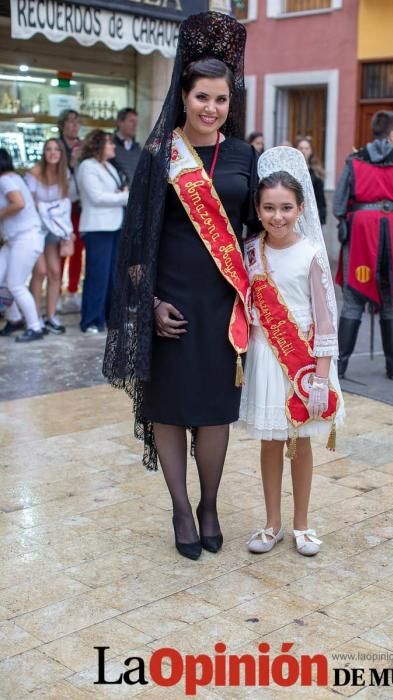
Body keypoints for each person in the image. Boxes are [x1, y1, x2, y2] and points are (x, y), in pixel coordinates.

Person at [103, 12, 259, 561]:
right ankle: (179, 507)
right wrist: (149, 305)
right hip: (170, 303)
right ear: (184, 97)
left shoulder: (244, 156)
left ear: (229, 104)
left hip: (222, 305)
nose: (211, 108)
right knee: (168, 410)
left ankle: (210, 502)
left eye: (221, 99)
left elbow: (257, 228)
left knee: (215, 411)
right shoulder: (158, 158)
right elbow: (134, 245)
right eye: (201, 98)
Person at [239, 148, 344, 556]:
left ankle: (302, 524)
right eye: (268, 208)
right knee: (270, 442)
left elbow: (326, 319)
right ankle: (272, 523)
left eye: (286, 208)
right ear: (258, 209)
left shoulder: (312, 253)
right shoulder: (251, 252)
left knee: (301, 443)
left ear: (301, 208)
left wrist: (320, 376)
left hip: (306, 361)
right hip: (267, 356)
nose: (277, 216)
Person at [333, 111, 393, 380]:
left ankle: (340, 368)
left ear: (373, 130)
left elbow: (339, 205)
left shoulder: (354, 161)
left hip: (361, 231)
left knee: (352, 302)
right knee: (392, 300)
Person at [77, 130, 128, 334]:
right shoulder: (87, 166)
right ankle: (90, 320)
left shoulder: (108, 166)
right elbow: (96, 197)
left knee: (111, 276)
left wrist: (120, 194)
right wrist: (125, 196)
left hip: (114, 225)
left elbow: (112, 193)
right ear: (99, 146)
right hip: (97, 227)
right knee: (97, 275)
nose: (113, 146)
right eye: (109, 143)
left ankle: (108, 317)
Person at [27, 138, 74, 334]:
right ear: (44, 153)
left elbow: (64, 206)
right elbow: (29, 206)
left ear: (61, 153)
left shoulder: (66, 174)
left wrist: (66, 233)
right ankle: (34, 316)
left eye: (56, 149)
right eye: (48, 149)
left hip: (54, 228)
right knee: (40, 271)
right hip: (35, 228)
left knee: (55, 272)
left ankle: (51, 316)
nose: (52, 153)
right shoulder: (34, 172)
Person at [0, 148, 44, 342]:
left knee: (15, 284)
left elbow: (18, 203)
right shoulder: (13, 178)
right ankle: (15, 319)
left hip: (25, 238)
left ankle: (35, 327)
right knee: (2, 281)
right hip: (14, 239)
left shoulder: (5, 180)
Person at [58, 109, 83, 312]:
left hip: (80, 206)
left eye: (77, 122)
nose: (75, 126)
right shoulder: (55, 147)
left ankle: (73, 291)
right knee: (60, 251)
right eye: (71, 122)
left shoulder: (83, 146)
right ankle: (55, 292)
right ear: (62, 125)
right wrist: (72, 162)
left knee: (76, 251)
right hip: (60, 207)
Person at [296, 137, 327, 225]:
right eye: (301, 148)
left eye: (306, 148)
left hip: (310, 215)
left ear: (311, 151)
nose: (303, 151)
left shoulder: (316, 173)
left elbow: (320, 198)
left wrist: (321, 218)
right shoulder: (290, 171)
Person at [111, 108, 142, 187]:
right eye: (131, 121)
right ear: (120, 122)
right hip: (117, 196)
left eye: (136, 122)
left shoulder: (137, 148)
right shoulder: (109, 146)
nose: (135, 125)